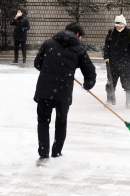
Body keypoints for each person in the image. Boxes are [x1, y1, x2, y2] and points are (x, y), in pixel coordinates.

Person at [34, 22, 96, 166]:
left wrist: (50, 68)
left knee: (43, 121)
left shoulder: (48, 43)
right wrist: (88, 84)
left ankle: (43, 155)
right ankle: (56, 152)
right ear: (78, 34)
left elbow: (37, 63)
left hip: (44, 89)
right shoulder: (79, 48)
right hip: (63, 90)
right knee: (61, 121)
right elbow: (90, 71)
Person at [103, 14, 130, 109]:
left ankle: (129, 102)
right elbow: (106, 45)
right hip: (112, 62)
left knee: (127, 82)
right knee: (110, 81)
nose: (118, 27)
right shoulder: (111, 32)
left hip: (125, 62)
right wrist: (106, 56)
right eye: (116, 25)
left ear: (124, 24)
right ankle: (110, 100)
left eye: (120, 25)